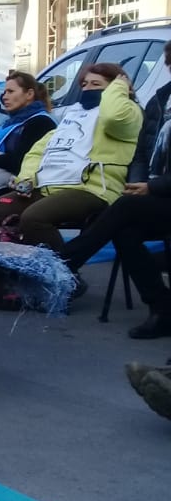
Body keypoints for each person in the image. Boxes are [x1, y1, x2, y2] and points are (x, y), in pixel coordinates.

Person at [0, 64, 143, 253]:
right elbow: (37, 152)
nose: (88, 89)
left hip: (91, 188)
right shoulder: (74, 114)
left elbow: (113, 118)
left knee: (34, 218)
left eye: (96, 84)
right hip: (51, 185)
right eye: (84, 84)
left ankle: (63, 270)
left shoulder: (129, 113)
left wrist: (119, 87)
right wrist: (27, 178)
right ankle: (0, 268)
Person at [58, 83, 171, 338]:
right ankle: (162, 308)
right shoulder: (160, 100)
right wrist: (139, 185)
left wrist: (151, 187)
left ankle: (65, 261)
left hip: (162, 193)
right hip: (157, 196)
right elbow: (141, 155)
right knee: (125, 231)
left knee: (125, 208)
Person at [0, 72, 56, 205]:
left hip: (17, 184)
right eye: (4, 92)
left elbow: (18, 163)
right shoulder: (9, 122)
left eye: (10, 92)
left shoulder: (41, 122)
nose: (4, 97)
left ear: (29, 94)